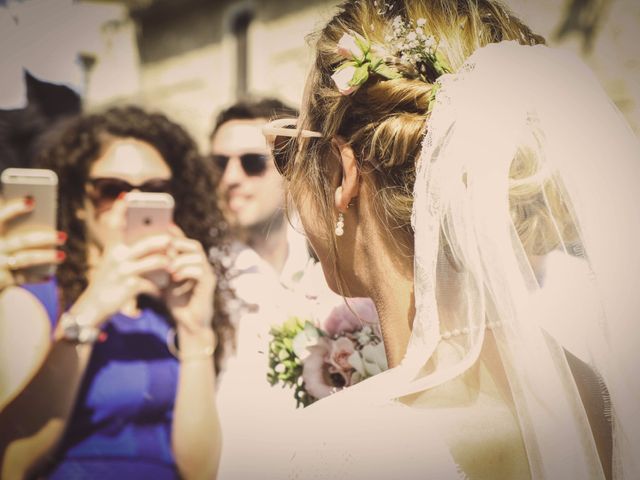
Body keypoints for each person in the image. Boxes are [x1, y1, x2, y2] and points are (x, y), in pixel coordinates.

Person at [261, 0, 639, 478]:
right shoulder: (605, 400)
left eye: (289, 151)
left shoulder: (327, 453)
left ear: (341, 174)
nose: (288, 178)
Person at [0, 106, 231, 480]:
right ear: (78, 204)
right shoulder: (38, 298)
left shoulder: (169, 311)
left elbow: (200, 471)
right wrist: (89, 313)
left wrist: (195, 333)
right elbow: (16, 461)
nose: (130, 204)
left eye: (155, 190)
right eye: (112, 189)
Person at [210, 98, 382, 478]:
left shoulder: (339, 263)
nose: (231, 178)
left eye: (252, 163)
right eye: (218, 164)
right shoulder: (197, 275)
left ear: (290, 168)